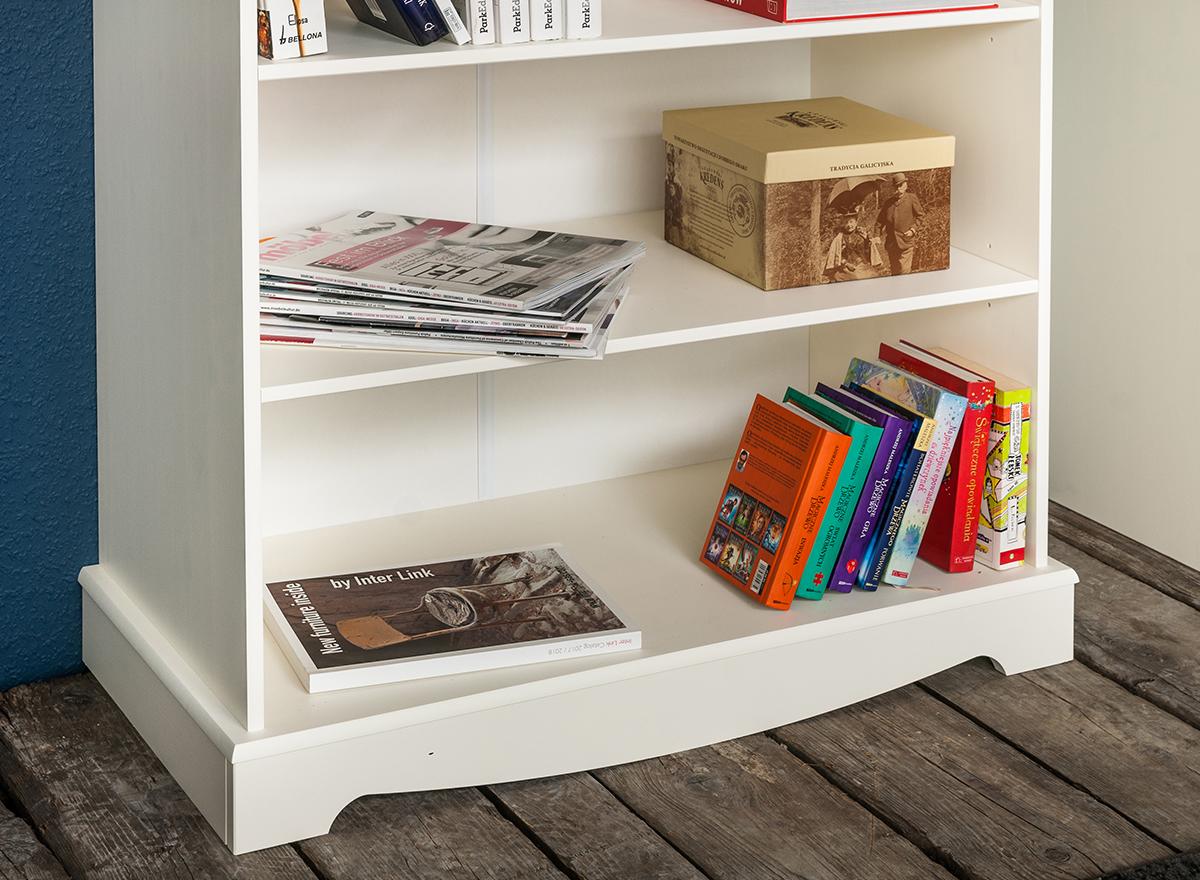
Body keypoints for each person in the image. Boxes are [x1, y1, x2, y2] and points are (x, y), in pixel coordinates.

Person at [877, 172, 925, 275]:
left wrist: (913, 230)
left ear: (906, 185)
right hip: (891, 244)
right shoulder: (888, 203)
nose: (898, 188)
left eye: (901, 185)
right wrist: (876, 236)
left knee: (904, 272)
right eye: (896, 186)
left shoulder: (911, 198)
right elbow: (879, 222)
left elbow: (920, 216)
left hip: (906, 242)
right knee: (895, 273)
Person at [824, 213, 882, 282]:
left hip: (862, 265)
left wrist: (866, 240)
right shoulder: (840, 237)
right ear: (843, 224)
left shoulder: (862, 234)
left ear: (856, 222)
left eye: (851, 222)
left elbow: (868, 253)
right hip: (845, 267)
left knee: (871, 277)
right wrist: (846, 264)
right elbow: (837, 255)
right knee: (852, 277)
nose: (849, 225)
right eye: (846, 222)